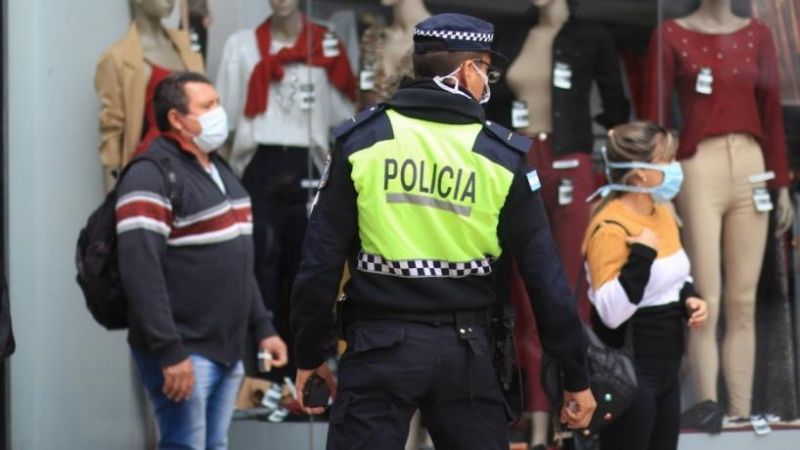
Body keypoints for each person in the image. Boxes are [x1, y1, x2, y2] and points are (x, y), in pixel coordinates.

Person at [291, 13, 595, 449]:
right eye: (485, 69)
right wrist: (574, 375)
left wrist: (309, 354)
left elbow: (319, 262)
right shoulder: (500, 156)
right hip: (467, 354)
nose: (487, 81)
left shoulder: (361, 142)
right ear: (467, 70)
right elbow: (545, 279)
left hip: (379, 348)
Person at [116, 72, 288, 450]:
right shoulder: (150, 175)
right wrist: (169, 351)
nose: (218, 114)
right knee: (185, 444)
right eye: (207, 106)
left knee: (214, 444)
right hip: (184, 351)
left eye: (218, 104)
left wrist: (263, 328)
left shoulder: (220, 171)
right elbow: (140, 272)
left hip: (226, 350)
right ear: (177, 119)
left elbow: (238, 262)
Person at [582, 121, 708, 450]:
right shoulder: (609, 226)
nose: (675, 167)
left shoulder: (662, 210)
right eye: (666, 160)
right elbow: (610, 312)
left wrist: (690, 297)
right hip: (631, 375)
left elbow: (675, 275)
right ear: (639, 175)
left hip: (668, 370)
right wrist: (641, 256)